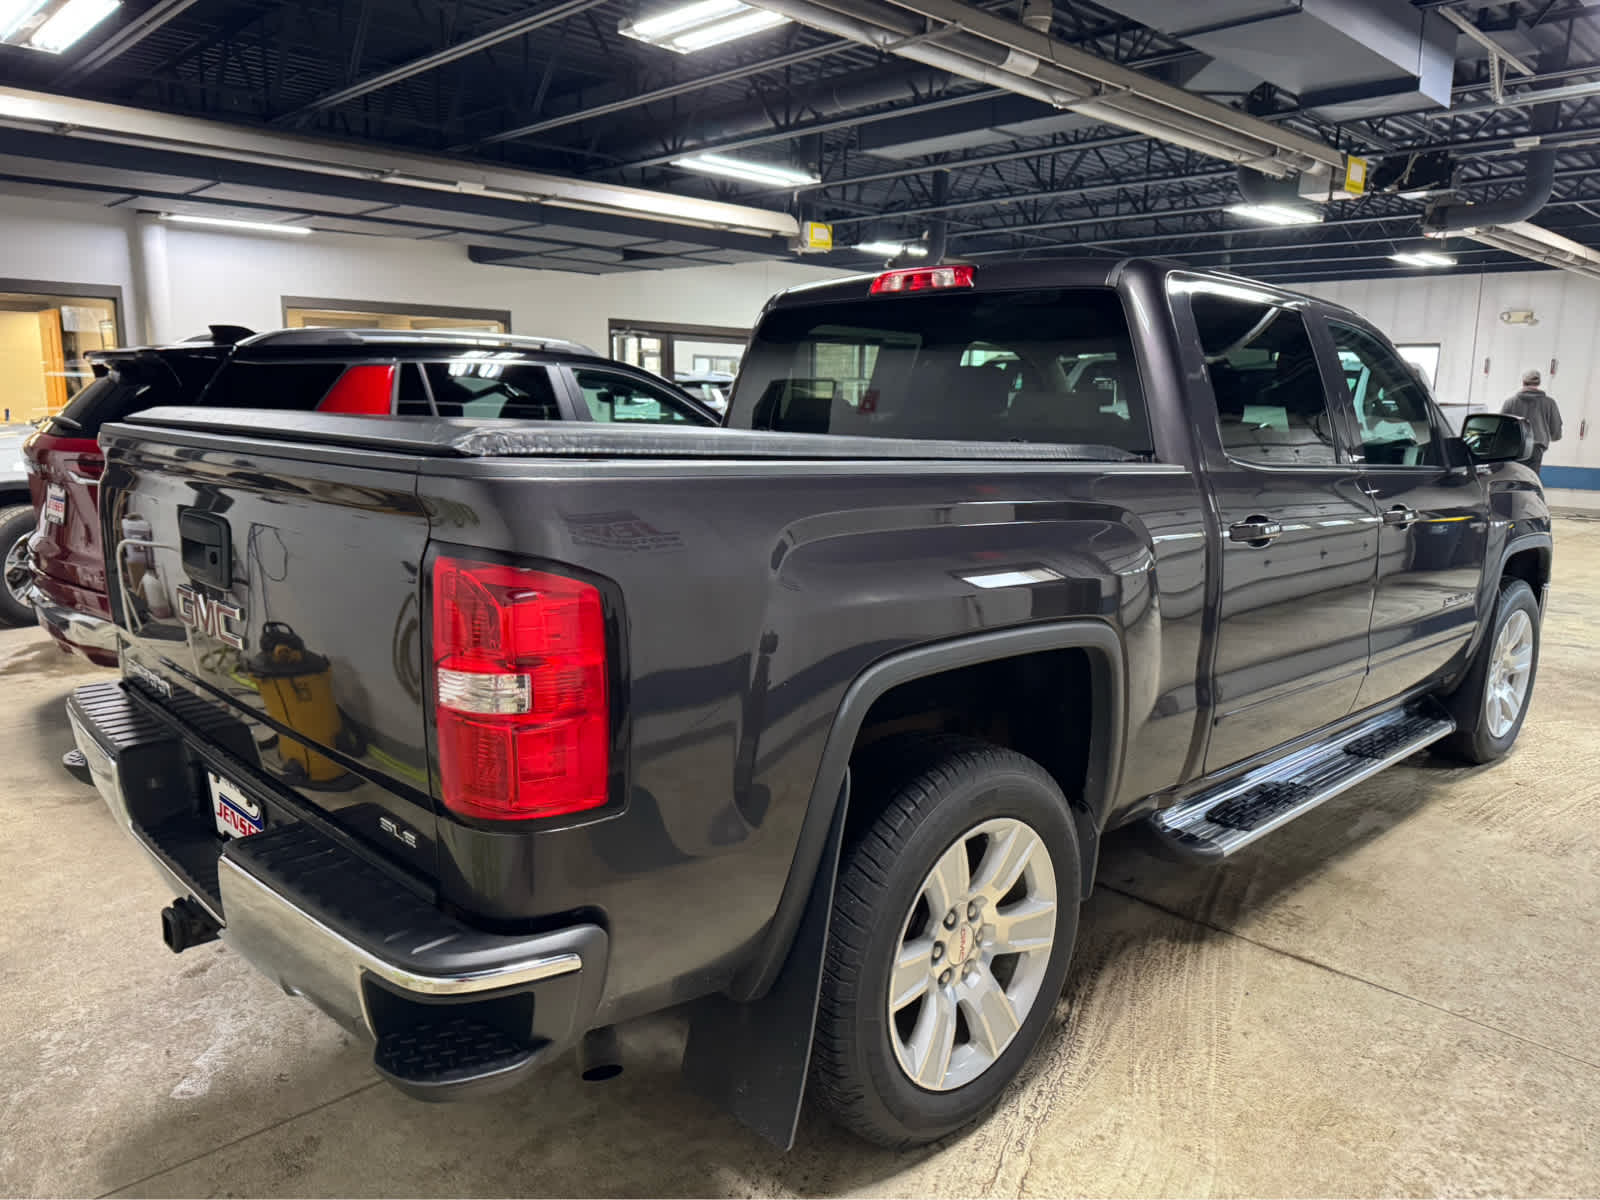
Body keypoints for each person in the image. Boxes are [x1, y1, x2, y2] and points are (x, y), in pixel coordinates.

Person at [1502, 369, 1563, 475]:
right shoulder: (1549, 403)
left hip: (1514, 446)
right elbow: (1556, 427)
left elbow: (1501, 425)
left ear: (1523, 382)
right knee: (1531, 476)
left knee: (1513, 476)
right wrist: (1555, 436)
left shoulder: (1510, 402)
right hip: (1536, 446)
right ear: (1538, 383)